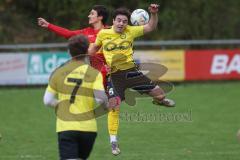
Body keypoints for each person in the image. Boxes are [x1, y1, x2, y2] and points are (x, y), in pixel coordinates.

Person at [88, 4, 175, 154]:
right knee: (114, 106)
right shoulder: (103, 34)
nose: (121, 24)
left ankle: (158, 101)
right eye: (119, 20)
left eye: (124, 21)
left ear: (128, 23)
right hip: (114, 77)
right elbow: (93, 50)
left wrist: (153, 14)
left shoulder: (130, 31)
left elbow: (150, 27)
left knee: (161, 94)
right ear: (113, 21)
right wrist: (99, 64)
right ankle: (114, 142)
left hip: (132, 73)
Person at [38, 5, 121, 155]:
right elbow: (68, 33)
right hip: (90, 77)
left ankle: (113, 141)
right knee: (93, 103)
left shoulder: (111, 31)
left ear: (100, 17)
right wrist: (49, 25)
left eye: (92, 13)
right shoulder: (85, 33)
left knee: (115, 106)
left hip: (105, 75)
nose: (89, 16)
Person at [43, 35, 111, 160]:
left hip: (66, 126)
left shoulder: (58, 72)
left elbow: (47, 100)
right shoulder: (93, 73)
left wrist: (59, 104)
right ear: (86, 52)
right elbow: (101, 100)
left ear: (69, 51)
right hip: (89, 129)